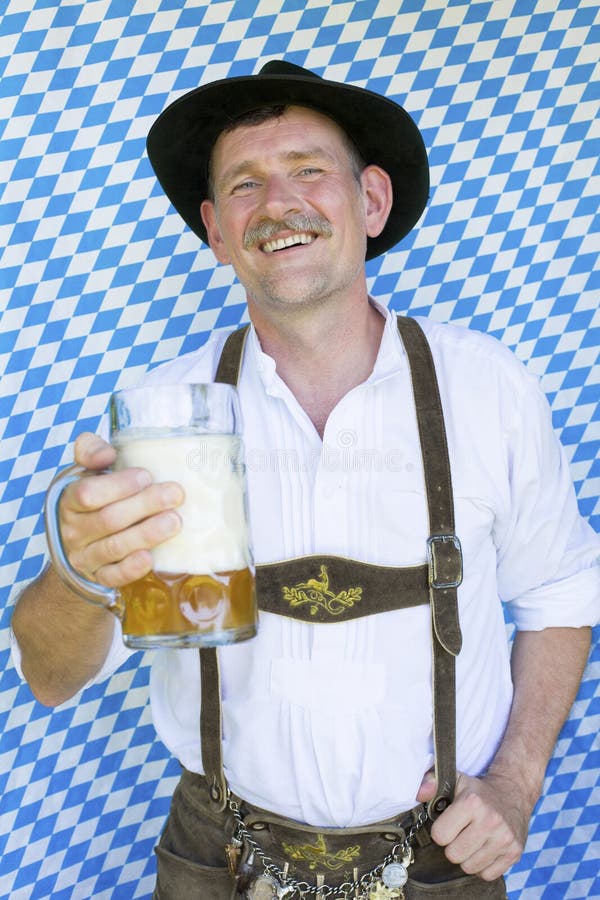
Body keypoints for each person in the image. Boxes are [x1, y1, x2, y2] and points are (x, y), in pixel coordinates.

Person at [11, 60, 599, 900]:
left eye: (309, 171)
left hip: (442, 860)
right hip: (219, 856)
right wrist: (76, 574)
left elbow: (564, 594)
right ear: (216, 230)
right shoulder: (157, 420)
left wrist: (516, 783)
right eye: (244, 185)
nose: (277, 203)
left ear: (372, 202)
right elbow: (51, 676)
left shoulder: (488, 387)